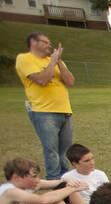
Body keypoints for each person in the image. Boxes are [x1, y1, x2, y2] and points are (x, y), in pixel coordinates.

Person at [15, 32, 75, 180]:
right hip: (44, 112)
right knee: (51, 151)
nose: (49, 45)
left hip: (65, 111)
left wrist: (59, 62)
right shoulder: (24, 59)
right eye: (45, 42)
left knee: (65, 151)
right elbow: (42, 80)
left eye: (49, 42)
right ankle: (54, 181)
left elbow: (70, 81)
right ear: (33, 42)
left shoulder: (55, 61)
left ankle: (65, 179)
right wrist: (52, 62)